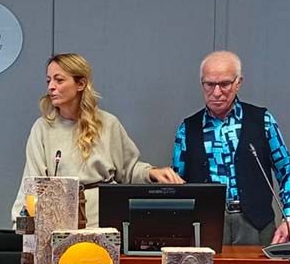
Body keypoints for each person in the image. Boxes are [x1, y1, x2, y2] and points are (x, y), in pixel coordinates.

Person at [11, 53, 182, 228]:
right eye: (49, 81)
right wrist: (21, 223)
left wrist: (151, 173)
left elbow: (129, 169)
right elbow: (32, 184)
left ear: (80, 84)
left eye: (59, 80)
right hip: (60, 222)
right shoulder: (42, 128)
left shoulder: (108, 123)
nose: (51, 87)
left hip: (105, 220)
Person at [171, 51, 290, 246]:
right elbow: (177, 184)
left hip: (256, 223)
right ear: (202, 84)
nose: (217, 92)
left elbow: (287, 172)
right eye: (209, 84)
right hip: (206, 225)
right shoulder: (187, 128)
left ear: (238, 83)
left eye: (224, 84)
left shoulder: (262, 120)